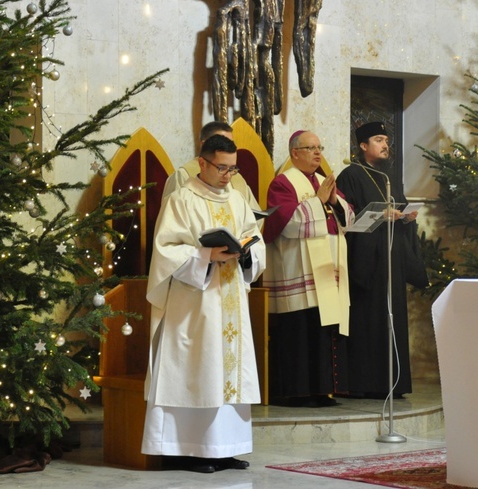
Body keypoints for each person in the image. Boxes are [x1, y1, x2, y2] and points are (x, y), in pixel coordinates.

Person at [141, 134, 265, 473]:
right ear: (202, 163)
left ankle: (224, 448)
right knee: (198, 370)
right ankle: (184, 451)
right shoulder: (182, 199)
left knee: (226, 371)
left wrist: (248, 251)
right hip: (194, 301)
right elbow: (165, 250)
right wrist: (206, 254)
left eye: (233, 168)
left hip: (230, 298)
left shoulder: (238, 199)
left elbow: (256, 237)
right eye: (222, 167)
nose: (228, 174)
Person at [263, 130, 355, 407]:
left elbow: (348, 218)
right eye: (310, 148)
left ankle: (321, 390)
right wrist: (318, 201)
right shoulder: (282, 183)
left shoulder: (322, 182)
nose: (318, 153)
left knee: (324, 329)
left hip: (327, 270)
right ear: (294, 153)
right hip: (297, 271)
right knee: (301, 331)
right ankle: (297, 392)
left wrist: (333, 201)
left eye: (320, 147)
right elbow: (286, 222)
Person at [336, 121, 421, 399]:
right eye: (378, 139)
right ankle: (365, 383)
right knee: (368, 320)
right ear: (363, 146)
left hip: (391, 258)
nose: (385, 145)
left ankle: (393, 383)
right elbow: (345, 220)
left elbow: (399, 208)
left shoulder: (389, 177)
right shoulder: (350, 175)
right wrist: (381, 216)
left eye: (386, 140)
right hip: (367, 262)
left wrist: (407, 218)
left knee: (392, 317)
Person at [161, 121, 261, 213]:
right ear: (204, 145)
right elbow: (173, 217)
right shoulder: (183, 175)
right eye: (220, 142)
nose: (227, 175)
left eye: (230, 143)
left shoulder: (236, 177)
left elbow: (255, 216)